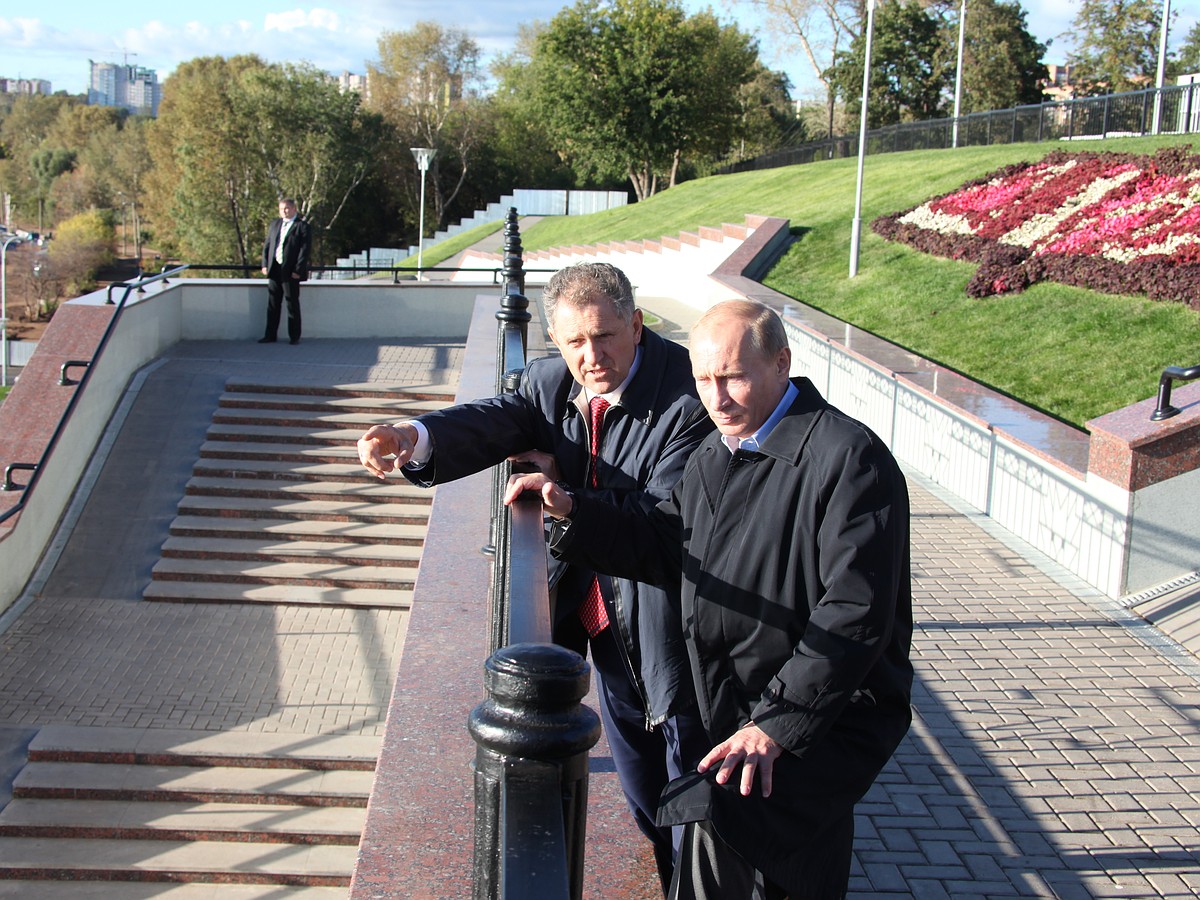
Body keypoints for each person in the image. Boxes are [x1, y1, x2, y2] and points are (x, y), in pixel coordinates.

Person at [506, 299, 914, 899]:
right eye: (702, 380)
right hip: (737, 708)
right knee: (778, 862)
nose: (716, 398)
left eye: (733, 377)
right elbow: (662, 543)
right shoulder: (717, 451)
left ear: (782, 362)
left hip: (815, 720)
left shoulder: (850, 460)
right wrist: (571, 509)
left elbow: (854, 614)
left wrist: (776, 725)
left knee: (723, 830)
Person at [356, 262, 713, 893]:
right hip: (592, 615)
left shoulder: (689, 396)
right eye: (575, 342)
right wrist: (410, 434)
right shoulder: (551, 383)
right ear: (555, 340)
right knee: (642, 794)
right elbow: (493, 418)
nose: (591, 356)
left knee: (687, 790)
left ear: (636, 324)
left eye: (605, 336)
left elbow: (661, 521)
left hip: (665, 625)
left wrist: (568, 495)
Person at [259, 197, 311, 344]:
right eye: (282, 209)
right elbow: (268, 245)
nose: (284, 211)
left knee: (292, 304)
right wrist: (264, 264)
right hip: (275, 269)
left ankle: (294, 337)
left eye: (287, 208)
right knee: (273, 304)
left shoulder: (302, 226)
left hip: (291, 272)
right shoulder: (275, 224)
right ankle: (270, 335)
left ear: (294, 209)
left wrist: (298, 270)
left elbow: (305, 251)